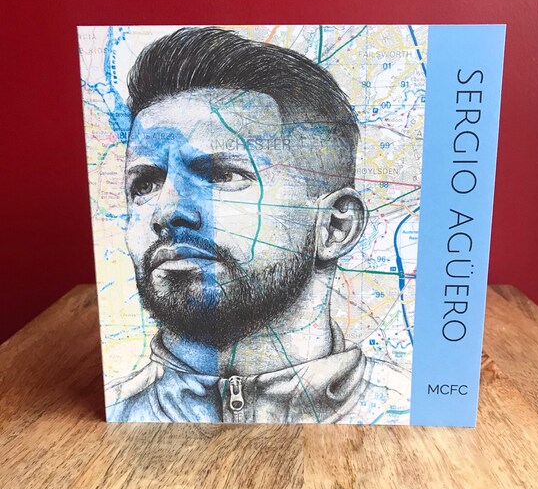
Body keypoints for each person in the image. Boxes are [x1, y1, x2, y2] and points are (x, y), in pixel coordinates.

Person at [106, 27, 408, 423]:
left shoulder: (404, 410)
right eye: (145, 184)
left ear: (335, 228)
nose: (166, 211)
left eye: (221, 175)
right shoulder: (113, 414)